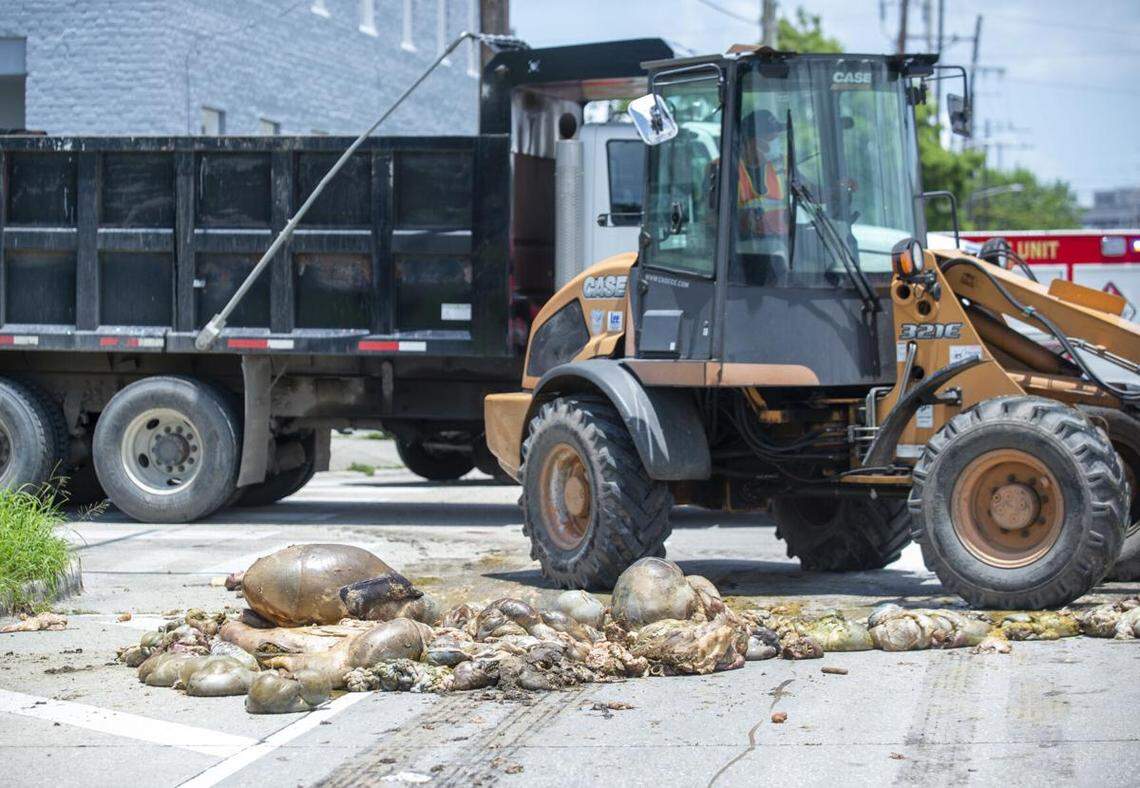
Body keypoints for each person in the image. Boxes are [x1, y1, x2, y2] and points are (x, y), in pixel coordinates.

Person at [735, 109, 788, 242]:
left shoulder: (782, 164)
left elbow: (808, 190)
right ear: (751, 141)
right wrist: (745, 218)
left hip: (785, 249)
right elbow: (712, 219)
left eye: (778, 137)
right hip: (741, 251)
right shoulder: (723, 169)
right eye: (771, 137)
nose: (777, 141)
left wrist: (836, 191)